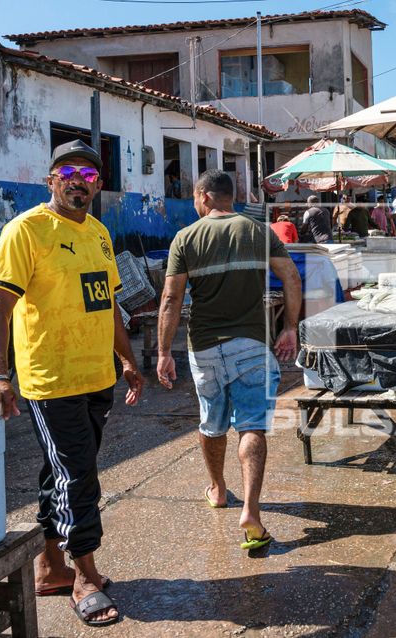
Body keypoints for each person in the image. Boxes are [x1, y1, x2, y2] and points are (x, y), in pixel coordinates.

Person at [0, 140, 145, 627]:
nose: (79, 180)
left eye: (89, 175)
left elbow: (107, 303)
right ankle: (85, 575)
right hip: (51, 380)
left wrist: (127, 361)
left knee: (63, 472)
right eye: (68, 171)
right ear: (51, 179)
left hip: (97, 376)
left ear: (98, 186)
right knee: (79, 476)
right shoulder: (25, 230)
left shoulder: (99, 233)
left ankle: (48, 567)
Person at [157, 170, 302, 552]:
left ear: (204, 196)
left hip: (203, 346)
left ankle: (219, 489)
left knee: (212, 422)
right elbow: (290, 276)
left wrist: (162, 351)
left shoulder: (185, 238)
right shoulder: (258, 231)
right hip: (252, 344)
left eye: (193, 197)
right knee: (252, 426)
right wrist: (290, 327)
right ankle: (251, 512)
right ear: (229, 196)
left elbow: (171, 300)